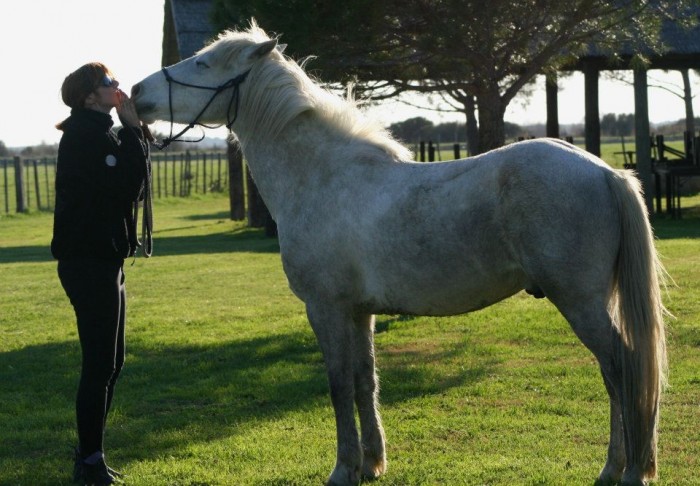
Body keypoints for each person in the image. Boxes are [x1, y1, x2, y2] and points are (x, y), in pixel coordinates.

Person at [52, 62, 152, 485]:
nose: (117, 86)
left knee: (113, 362)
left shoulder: (101, 133)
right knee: (99, 364)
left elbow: (136, 184)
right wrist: (131, 130)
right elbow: (127, 186)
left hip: (105, 260)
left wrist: (132, 132)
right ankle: (89, 461)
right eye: (108, 82)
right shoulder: (84, 136)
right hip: (88, 262)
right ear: (89, 96)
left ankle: (90, 454)